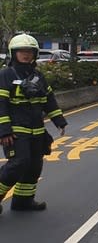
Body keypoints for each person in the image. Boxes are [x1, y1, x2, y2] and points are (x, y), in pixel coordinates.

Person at [0, 33, 67, 212]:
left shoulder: (38, 76)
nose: (26, 54)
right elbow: (1, 105)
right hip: (15, 131)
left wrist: (59, 121)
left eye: (29, 51)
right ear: (13, 53)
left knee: (34, 166)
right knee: (18, 163)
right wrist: (4, 131)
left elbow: (49, 100)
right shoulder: (5, 75)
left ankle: (23, 201)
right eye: (21, 51)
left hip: (37, 131)